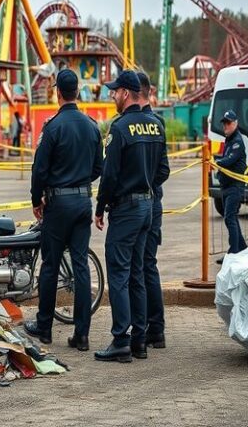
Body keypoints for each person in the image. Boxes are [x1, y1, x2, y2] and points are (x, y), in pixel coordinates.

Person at [93, 70, 169, 363]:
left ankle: (120, 340)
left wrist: (101, 208)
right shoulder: (156, 125)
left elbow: (109, 176)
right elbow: (164, 170)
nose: (112, 95)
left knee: (120, 275)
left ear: (126, 93)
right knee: (138, 272)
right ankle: (140, 340)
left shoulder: (120, 128)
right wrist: (146, 182)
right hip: (148, 207)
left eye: (114, 91)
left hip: (125, 210)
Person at [24, 69, 103, 351]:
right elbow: (98, 168)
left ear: (58, 93)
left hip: (58, 205)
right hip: (83, 202)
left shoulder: (53, 127)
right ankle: (81, 334)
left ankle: (44, 327)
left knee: (51, 264)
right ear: (77, 92)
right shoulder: (92, 126)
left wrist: (37, 199)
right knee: (80, 266)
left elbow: (39, 169)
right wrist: (80, 183)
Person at [134, 71, 168, 349]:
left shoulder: (143, 123)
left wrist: (143, 183)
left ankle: (147, 326)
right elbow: (164, 170)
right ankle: (155, 328)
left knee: (140, 266)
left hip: (142, 202)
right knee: (149, 265)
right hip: (154, 202)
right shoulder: (159, 123)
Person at [214, 109, 248, 263]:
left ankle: (234, 253)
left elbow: (228, 160)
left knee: (229, 218)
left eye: (228, 123)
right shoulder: (229, 139)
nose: (225, 126)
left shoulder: (237, 142)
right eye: (224, 123)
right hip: (227, 186)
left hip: (235, 186)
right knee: (231, 217)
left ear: (235, 124)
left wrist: (217, 161)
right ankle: (242, 248)